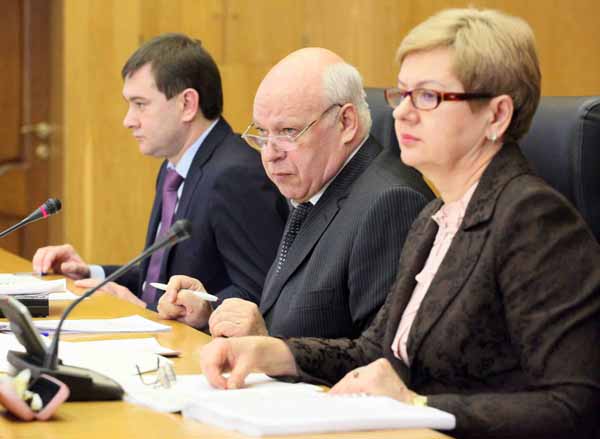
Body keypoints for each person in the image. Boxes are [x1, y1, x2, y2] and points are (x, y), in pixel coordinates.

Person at [198, 9, 600, 439]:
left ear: (496, 115)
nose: (402, 114)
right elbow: (375, 351)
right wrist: (275, 353)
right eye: (403, 94)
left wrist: (418, 406)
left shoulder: (534, 218)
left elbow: (574, 406)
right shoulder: (436, 217)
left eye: (428, 97)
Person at [158, 48, 433, 338]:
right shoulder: (313, 189)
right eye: (262, 133)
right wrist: (210, 313)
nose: (270, 154)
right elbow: (285, 317)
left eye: (288, 131)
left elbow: (379, 355)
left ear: (346, 123)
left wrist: (266, 343)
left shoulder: (390, 203)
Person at [32, 33, 287, 310]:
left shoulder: (235, 175)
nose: (128, 120)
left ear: (187, 104)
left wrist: (152, 312)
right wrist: (91, 273)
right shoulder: (173, 168)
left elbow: (261, 293)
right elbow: (157, 279)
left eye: (140, 104)